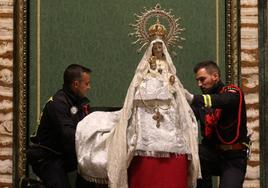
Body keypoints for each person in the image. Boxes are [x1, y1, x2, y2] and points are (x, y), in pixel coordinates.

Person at [76, 19, 200, 188]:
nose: (158, 50)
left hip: (169, 123)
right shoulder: (145, 69)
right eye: (155, 47)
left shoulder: (168, 68)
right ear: (151, 49)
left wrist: (173, 86)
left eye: (160, 47)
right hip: (147, 121)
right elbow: (137, 91)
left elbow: (176, 88)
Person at [27, 64, 95, 188]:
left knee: (92, 172)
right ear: (75, 84)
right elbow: (68, 134)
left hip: (64, 154)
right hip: (47, 157)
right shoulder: (57, 104)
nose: (89, 87)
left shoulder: (80, 103)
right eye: (86, 83)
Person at [185, 60, 250, 188]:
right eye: (197, 80)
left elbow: (224, 100)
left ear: (215, 76)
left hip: (234, 157)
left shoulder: (233, 92)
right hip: (213, 155)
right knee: (194, 150)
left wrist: (194, 98)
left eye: (202, 79)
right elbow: (188, 117)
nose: (199, 84)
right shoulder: (201, 103)